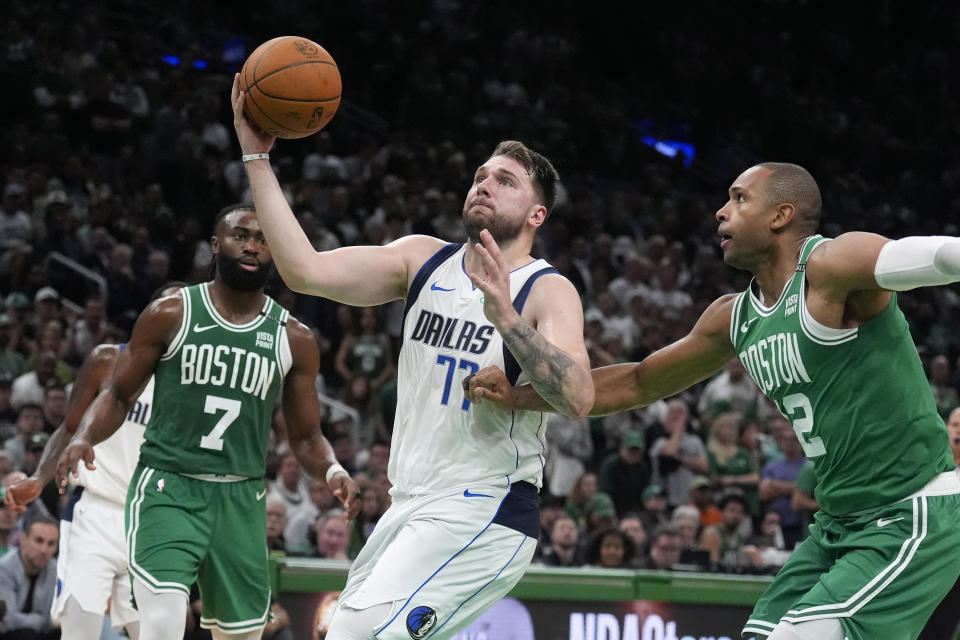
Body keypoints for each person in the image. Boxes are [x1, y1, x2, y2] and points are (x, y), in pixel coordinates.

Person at [467, 162, 960, 640]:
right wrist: (521, 396)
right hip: (837, 525)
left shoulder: (830, 267)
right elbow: (638, 381)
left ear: (781, 215)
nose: (721, 212)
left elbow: (936, 258)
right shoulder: (734, 317)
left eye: (739, 198)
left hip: (910, 508)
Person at [232, 76, 594, 639]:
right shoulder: (421, 260)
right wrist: (256, 156)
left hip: (486, 508)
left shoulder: (546, 290)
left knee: (354, 634)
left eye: (506, 181)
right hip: (409, 504)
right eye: (480, 176)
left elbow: (578, 395)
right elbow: (305, 270)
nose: (484, 185)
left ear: (536, 216)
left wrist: (508, 320)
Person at [56, 205, 359, 640]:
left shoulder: (294, 338)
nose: (252, 246)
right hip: (169, 486)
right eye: (240, 235)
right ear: (215, 245)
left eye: (263, 239)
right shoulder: (171, 313)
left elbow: (307, 435)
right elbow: (119, 394)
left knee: (243, 635)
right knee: (162, 625)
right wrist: (85, 436)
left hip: (241, 496)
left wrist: (333, 469)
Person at [5, 287, 184, 640]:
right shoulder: (108, 359)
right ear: (154, 313)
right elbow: (69, 428)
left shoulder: (196, 384)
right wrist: (39, 478)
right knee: (79, 633)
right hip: (95, 514)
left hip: (154, 520)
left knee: (159, 634)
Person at [0, 515, 59, 640]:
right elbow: (7, 621)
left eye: (51, 544)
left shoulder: (56, 570)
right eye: (39, 541)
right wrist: (45, 622)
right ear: (23, 539)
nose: (44, 550)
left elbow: (58, 618)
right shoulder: (4, 568)